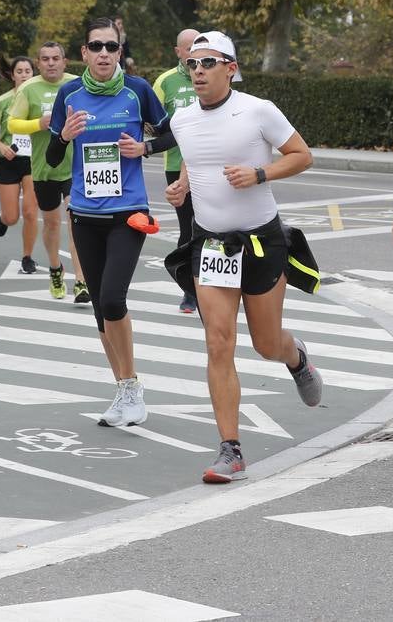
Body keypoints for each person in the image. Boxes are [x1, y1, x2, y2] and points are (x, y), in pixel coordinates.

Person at [163, 30, 323, 484]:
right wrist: (183, 185)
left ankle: (296, 359)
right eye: (191, 64)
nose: (197, 71)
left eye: (208, 63)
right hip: (211, 243)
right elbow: (198, 158)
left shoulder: (258, 111)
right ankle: (230, 449)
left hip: (260, 241)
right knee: (218, 341)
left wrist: (260, 173)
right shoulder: (182, 118)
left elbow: (301, 155)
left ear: (230, 68)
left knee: (265, 343)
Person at [47, 18, 172, 428]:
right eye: (96, 46)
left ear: (120, 52)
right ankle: (123, 389)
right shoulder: (69, 93)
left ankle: (133, 387)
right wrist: (63, 136)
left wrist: (145, 147)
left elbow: (174, 133)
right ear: (83, 52)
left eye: (111, 47)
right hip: (84, 215)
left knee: (114, 298)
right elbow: (50, 159)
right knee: (101, 308)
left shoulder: (138, 91)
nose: (103, 53)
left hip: (128, 213)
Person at [6, 42, 89, 302]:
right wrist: (38, 123)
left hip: (75, 167)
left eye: (56, 58)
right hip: (44, 168)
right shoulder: (29, 88)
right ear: (38, 64)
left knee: (76, 221)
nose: (51, 63)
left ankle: (81, 280)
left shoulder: (79, 84)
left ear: (65, 62)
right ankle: (55, 267)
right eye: (45, 59)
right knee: (52, 223)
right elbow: (12, 123)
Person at [152, 28, 201, 314]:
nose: (194, 53)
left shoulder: (210, 74)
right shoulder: (165, 82)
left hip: (210, 166)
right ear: (178, 52)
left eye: (198, 46)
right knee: (188, 229)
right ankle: (190, 291)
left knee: (213, 227)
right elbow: (152, 124)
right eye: (189, 48)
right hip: (175, 166)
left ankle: (218, 285)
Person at [0, 56, 40, 275]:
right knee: (12, 217)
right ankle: (4, 219)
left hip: (33, 161)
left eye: (28, 71)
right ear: (12, 75)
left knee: (31, 211)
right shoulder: (3, 102)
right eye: (20, 71)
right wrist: (0, 146)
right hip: (8, 159)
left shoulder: (39, 98)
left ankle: (27, 257)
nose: (24, 75)